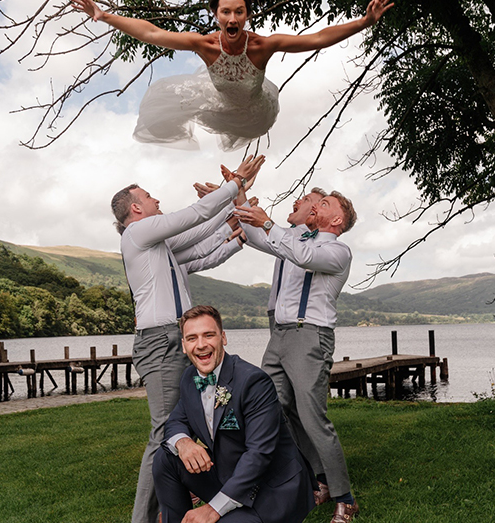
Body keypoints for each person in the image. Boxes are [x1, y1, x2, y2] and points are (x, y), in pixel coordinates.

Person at [115, 155, 263, 523]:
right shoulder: (137, 233)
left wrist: (234, 214)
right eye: (149, 197)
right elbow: (192, 217)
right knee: (165, 432)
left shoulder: (158, 250)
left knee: (188, 422)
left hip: (175, 339)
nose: (157, 201)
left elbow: (199, 245)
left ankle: (173, 508)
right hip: (160, 343)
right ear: (136, 207)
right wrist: (235, 186)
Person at [71, 0, 394, 151]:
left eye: (239, 12)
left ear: (247, 14)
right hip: (218, 100)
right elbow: (153, 33)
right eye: (226, 12)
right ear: (216, 14)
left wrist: (365, 21)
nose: (232, 19)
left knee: (253, 123)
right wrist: (104, 16)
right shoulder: (205, 44)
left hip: (255, 107)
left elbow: (319, 37)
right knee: (171, 111)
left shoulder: (263, 45)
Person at [234, 192, 359, 523]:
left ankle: (345, 497)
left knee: (313, 416)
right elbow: (261, 235)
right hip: (280, 336)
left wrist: (269, 223)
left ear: (337, 220)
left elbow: (302, 255)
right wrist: (235, 195)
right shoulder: (296, 238)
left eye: (326, 204)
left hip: (309, 336)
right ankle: (319, 478)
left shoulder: (338, 251)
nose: (317, 205)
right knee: (273, 407)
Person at [154, 305, 315, 523]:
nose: (201, 345)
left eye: (208, 335)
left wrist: (211, 509)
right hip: (227, 475)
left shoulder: (254, 382)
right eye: (192, 338)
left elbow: (259, 455)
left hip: (271, 491)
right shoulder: (189, 377)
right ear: (184, 346)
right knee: (166, 457)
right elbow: (175, 422)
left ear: (223, 338)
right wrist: (184, 443)